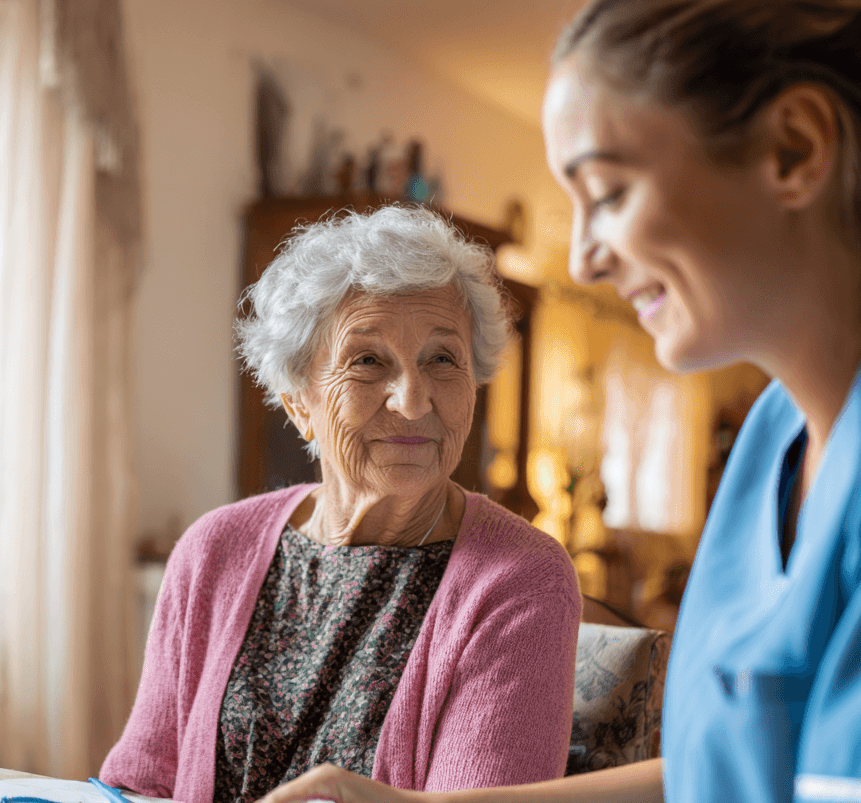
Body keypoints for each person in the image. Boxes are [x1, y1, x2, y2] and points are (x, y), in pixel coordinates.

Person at [257, 0, 861, 802]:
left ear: (795, 150)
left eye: (610, 192)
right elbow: (727, 773)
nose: (584, 260)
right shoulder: (776, 431)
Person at [99, 206, 581, 803]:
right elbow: (139, 784)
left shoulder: (519, 580)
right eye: (368, 361)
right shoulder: (214, 549)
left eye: (442, 359)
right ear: (298, 400)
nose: (412, 400)